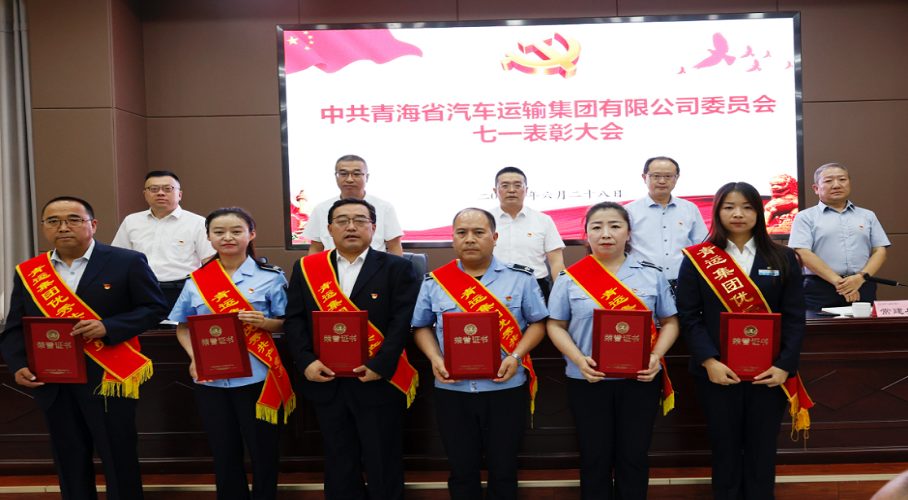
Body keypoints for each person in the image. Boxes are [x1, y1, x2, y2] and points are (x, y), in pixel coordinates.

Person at [0, 196, 168, 500]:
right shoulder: (30, 271)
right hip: (53, 379)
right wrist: (18, 364)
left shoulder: (126, 261)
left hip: (107, 376)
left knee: (118, 456)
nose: (63, 227)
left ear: (93, 224)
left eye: (73, 220)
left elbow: (154, 308)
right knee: (69, 459)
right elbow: (15, 326)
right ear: (44, 227)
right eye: (53, 221)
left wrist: (109, 326)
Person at [677, 182, 807, 500]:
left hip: (769, 373)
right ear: (717, 212)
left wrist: (784, 366)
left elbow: (794, 317)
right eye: (729, 207)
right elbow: (689, 315)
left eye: (747, 207)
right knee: (724, 446)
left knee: (763, 447)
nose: (738, 213)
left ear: (759, 212)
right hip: (717, 372)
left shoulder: (783, 257)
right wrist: (709, 361)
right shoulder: (698, 258)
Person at [284, 198, 419, 500]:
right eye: (342, 220)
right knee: (338, 457)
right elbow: (294, 320)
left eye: (360, 220)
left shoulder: (397, 267)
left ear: (374, 227)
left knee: (382, 456)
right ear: (329, 229)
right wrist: (306, 361)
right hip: (326, 378)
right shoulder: (307, 268)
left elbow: (402, 323)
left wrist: (380, 364)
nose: (351, 226)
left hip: (376, 378)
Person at [411, 208, 549, 500]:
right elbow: (420, 326)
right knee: (461, 469)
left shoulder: (520, 278)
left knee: (504, 467)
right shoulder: (435, 282)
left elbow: (538, 323)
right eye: (462, 233)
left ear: (494, 237)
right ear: (453, 238)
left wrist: (516, 355)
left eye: (478, 232)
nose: (469, 239)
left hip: (505, 388)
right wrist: (435, 358)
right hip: (453, 390)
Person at [546, 201, 679, 500]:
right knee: (594, 455)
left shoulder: (651, 275)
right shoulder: (570, 278)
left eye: (615, 226)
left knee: (634, 454)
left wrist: (655, 356)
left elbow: (671, 322)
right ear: (587, 234)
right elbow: (555, 325)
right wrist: (578, 360)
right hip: (588, 380)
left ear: (628, 233)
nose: (606, 233)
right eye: (597, 227)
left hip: (640, 380)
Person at [169, 207, 295, 500]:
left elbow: (289, 324)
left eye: (236, 231)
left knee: (263, 448)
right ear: (209, 237)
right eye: (219, 232)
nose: (228, 237)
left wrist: (265, 323)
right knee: (223, 450)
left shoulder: (271, 277)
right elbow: (183, 326)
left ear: (251, 234)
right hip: (210, 379)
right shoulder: (196, 281)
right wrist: (194, 358)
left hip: (257, 376)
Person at [788, 163, 890, 309]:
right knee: (819, 324)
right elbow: (802, 252)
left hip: (862, 285)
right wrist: (840, 283)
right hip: (820, 288)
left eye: (842, 179)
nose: (836, 185)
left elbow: (880, 251)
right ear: (816, 188)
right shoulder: (805, 217)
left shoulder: (867, 215)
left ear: (849, 184)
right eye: (828, 181)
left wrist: (859, 278)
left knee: (864, 324)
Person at [111, 170, 215, 308]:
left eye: (168, 188)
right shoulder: (131, 221)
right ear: (145, 194)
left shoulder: (198, 223)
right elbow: (118, 259)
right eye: (153, 189)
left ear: (180, 194)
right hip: (140, 291)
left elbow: (210, 262)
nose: (160, 193)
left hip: (182, 291)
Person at [625, 156, 709, 290]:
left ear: (677, 178)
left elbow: (701, 246)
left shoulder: (689, 208)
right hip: (642, 284)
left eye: (668, 176)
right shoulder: (629, 211)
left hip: (684, 282)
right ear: (644, 177)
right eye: (656, 176)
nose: (662, 181)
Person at [302, 155, 404, 256]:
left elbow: (395, 247)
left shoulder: (384, 208)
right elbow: (316, 248)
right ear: (336, 176)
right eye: (343, 174)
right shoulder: (321, 209)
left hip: (375, 265)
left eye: (356, 174)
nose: (349, 179)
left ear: (367, 177)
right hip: (332, 266)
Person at [491, 166, 565, 301]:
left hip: (536, 287)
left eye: (518, 185)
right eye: (505, 185)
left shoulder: (543, 220)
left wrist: (560, 295)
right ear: (495, 191)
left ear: (526, 190)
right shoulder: (485, 220)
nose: (511, 190)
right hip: (494, 286)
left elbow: (556, 262)